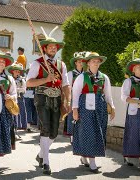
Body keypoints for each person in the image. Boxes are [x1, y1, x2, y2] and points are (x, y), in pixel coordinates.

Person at [26, 26, 71, 175]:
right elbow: (28, 83)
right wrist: (46, 79)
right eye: (50, 46)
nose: (53, 48)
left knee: (53, 133)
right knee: (45, 128)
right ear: (44, 48)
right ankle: (46, 161)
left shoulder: (61, 65)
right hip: (42, 98)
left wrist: (68, 101)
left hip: (56, 99)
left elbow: (65, 84)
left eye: (55, 47)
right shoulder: (37, 63)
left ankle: (40, 155)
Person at [72, 52, 115, 173]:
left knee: (98, 131)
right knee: (87, 131)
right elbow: (75, 94)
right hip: (85, 108)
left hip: (100, 108)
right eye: (93, 61)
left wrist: (112, 107)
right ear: (88, 63)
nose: (96, 63)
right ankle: (92, 162)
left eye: (98, 61)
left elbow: (108, 94)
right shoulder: (81, 77)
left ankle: (84, 156)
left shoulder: (104, 77)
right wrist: (75, 110)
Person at [121, 57, 140, 173]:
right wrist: (139, 101)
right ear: (133, 69)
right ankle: (137, 159)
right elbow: (124, 98)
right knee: (133, 133)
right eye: (139, 66)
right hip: (134, 111)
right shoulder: (128, 81)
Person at [63, 52, 86, 142]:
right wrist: (67, 100)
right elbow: (68, 87)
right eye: (79, 61)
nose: (81, 63)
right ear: (75, 63)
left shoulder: (86, 74)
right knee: (72, 117)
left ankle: (81, 135)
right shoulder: (71, 74)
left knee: (82, 116)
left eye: (82, 61)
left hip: (84, 98)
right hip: (73, 97)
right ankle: (72, 135)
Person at [8, 63, 28, 131]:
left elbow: (24, 89)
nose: (17, 73)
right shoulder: (9, 79)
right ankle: (16, 125)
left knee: (22, 110)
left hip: (20, 96)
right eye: (16, 71)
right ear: (12, 71)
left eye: (18, 72)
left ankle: (24, 125)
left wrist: (17, 89)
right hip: (12, 97)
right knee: (14, 110)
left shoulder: (22, 80)